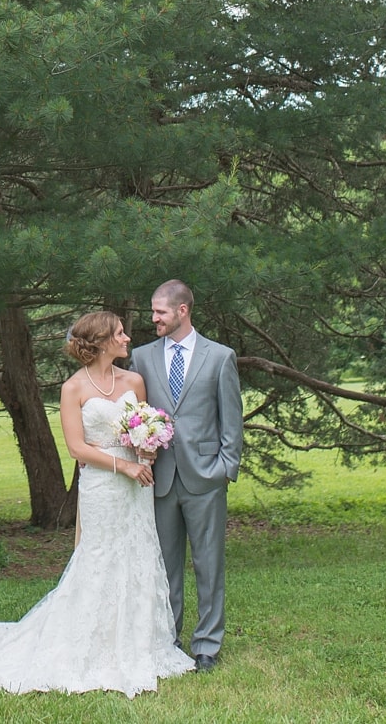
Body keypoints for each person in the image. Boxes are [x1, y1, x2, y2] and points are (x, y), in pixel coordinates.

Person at [0, 311, 196, 696]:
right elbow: (78, 448)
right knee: (99, 557)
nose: (128, 338)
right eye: (119, 333)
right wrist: (121, 466)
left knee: (139, 555)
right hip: (103, 485)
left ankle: (138, 643)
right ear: (100, 342)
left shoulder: (134, 381)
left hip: (136, 485)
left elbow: (145, 430)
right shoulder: (74, 388)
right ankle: (88, 646)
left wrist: (145, 458)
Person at [128, 279, 243, 670]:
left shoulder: (220, 356)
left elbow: (232, 419)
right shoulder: (142, 358)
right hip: (159, 478)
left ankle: (207, 645)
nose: (153, 318)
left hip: (206, 477)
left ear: (182, 311)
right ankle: (167, 638)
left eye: (159, 311)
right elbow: (135, 416)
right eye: (153, 311)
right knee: (165, 564)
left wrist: (226, 468)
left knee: (208, 564)